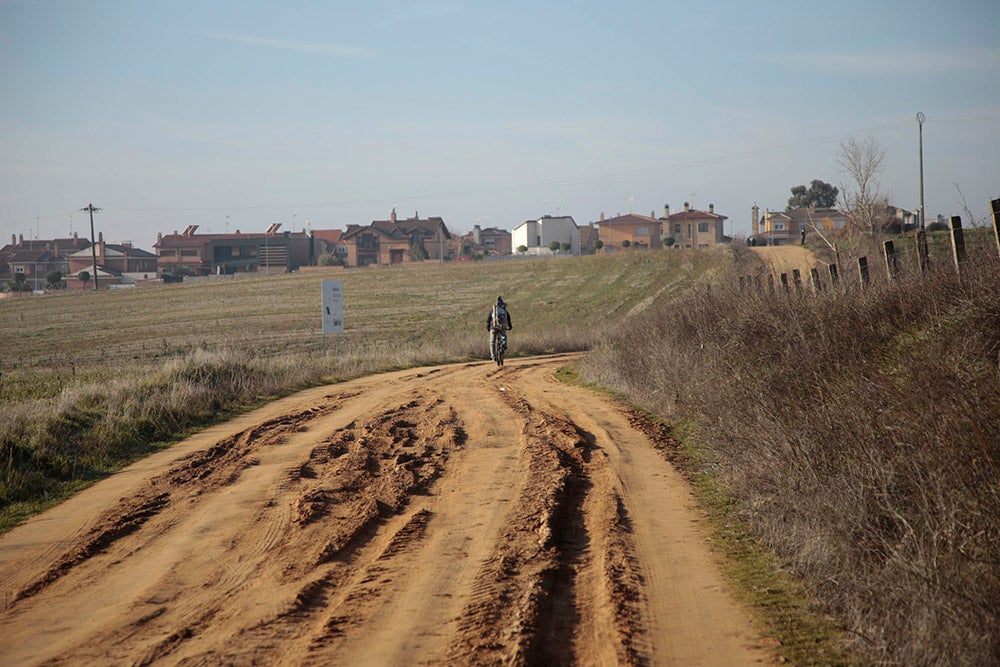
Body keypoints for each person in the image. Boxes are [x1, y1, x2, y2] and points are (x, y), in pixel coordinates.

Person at [486, 296, 513, 361]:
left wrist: (488, 327)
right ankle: (503, 344)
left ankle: (493, 356)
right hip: (502, 327)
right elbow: (508, 318)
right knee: (504, 336)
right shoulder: (504, 310)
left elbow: (488, 319)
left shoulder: (493, 309)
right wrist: (510, 326)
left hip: (494, 327)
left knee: (492, 342)